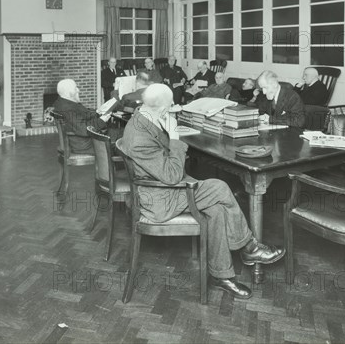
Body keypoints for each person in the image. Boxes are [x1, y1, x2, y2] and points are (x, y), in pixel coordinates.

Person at [121, 84, 285, 299]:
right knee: (220, 187)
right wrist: (175, 137)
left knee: (216, 209)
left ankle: (222, 275)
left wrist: (167, 131)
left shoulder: (144, 118)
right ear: (160, 108)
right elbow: (171, 175)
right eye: (169, 107)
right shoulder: (139, 136)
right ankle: (249, 247)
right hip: (159, 202)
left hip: (163, 190)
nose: (171, 110)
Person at [52, 79, 113, 154]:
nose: (78, 90)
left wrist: (97, 112)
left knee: (117, 134)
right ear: (68, 93)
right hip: (85, 145)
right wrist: (102, 120)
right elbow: (84, 130)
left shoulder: (64, 103)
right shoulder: (68, 109)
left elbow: (82, 116)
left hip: (82, 142)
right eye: (75, 88)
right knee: (120, 141)